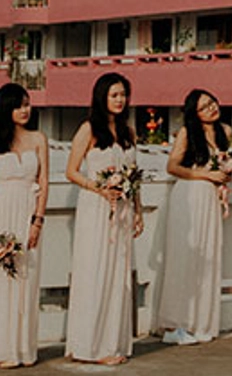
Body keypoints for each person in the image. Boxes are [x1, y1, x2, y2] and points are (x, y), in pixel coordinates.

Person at [65, 73, 144, 365]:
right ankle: (90, 345)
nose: (120, 99)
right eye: (114, 95)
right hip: (96, 207)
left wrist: (138, 209)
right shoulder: (88, 129)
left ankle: (111, 341)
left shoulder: (129, 132)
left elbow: (134, 174)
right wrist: (98, 189)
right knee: (94, 271)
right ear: (102, 97)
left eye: (123, 94)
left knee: (117, 275)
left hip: (122, 209)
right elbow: (71, 171)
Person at [155, 88, 232, 345]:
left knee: (208, 256)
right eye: (204, 106)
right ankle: (177, 323)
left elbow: (222, 164)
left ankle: (202, 322)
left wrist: (224, 175)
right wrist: (205, 175)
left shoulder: (226, 132)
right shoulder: (189, 133)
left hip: (211, 199)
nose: (211, 108)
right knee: (184, 257)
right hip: (189, 196)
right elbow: (173, 167)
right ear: (194, 113)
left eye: (212, 102)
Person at [0, 83, 48, 369]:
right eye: (19, 105)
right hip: (2, 212)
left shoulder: (39, 139)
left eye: (28, 104)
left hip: (28, 212)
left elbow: (43, 183)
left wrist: (37, 221)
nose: (25, 110)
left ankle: (23, 349)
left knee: (25, 280)